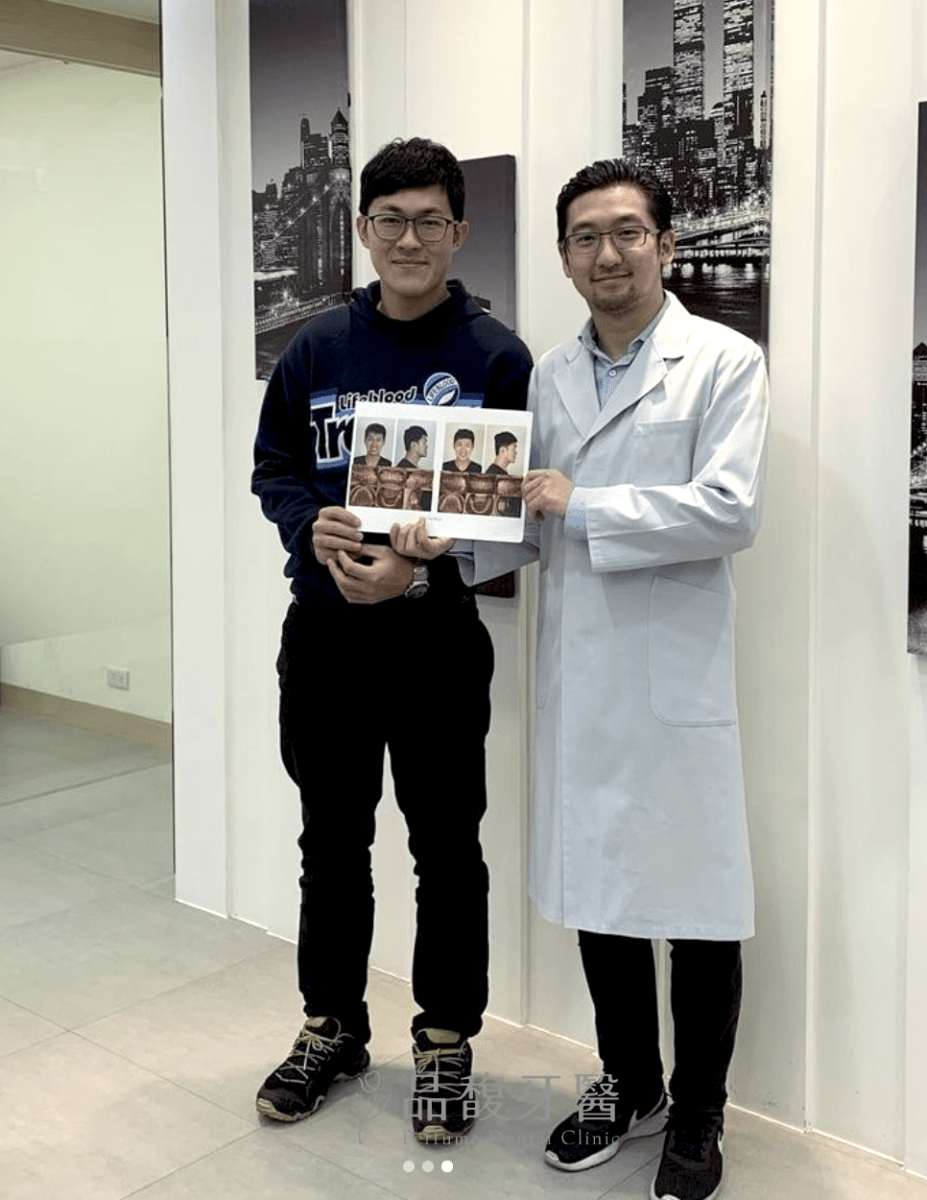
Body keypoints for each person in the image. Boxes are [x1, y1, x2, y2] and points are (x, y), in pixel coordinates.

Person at [472, 158, 767, 1199]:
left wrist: (584, 504)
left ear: (666, 245)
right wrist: (444, 539)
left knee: (696, 905)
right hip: (581, 675)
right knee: (601, 892)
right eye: (585, 238)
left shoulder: (723, 360)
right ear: (564, 258)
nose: (607, 253)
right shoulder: (547, 374)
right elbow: (523, 523)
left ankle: (697, 1111)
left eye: (627, 232)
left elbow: (730, 509)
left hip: (673, 678)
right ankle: (629, 1082)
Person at [250, 137, 532, 1143]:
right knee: (331, 843)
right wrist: (309, 525)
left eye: (429, 222)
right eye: (390, 221)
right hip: (325, 636)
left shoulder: (497, 356)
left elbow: (510, 523)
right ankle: (331, 1026)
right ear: (363, 231)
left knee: (446, 849)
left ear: (458, 232)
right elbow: (274, 467)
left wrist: (417, 571)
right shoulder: (316, 345)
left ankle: (445, 1040)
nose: (409, 240)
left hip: (435, 641)